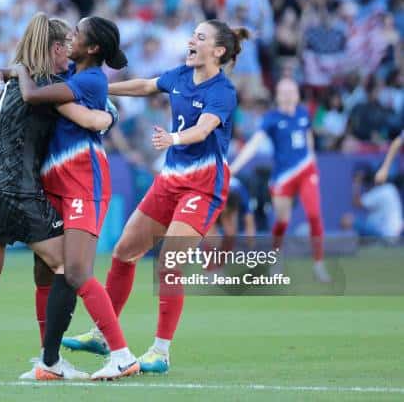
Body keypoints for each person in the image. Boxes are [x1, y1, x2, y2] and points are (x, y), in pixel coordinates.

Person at [0, 13, 115, 381]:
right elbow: (91, 115)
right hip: (17, 187)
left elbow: (20, 77)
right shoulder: (49, 84)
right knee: (68, 268)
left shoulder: (14, 81)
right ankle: (52, 362)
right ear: (56, 48)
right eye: (67, 48)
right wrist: (108, 117)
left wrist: (9, 68)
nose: (71, 57)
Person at [63, 19, 248, 374]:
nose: (191, 39)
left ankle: (161, 352)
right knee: (124, 252)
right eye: (192, 34)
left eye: (200, 37)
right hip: (170, 180)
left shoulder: (222, 91)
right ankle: (104, 335)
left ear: (218, 51)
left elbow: (205, 127)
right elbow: (146, 85)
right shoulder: (179, 75)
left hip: (204, 185)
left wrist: (174, 140)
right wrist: (104, 89)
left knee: (169, 263)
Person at [13, 15, 140, 381]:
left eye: (77, 34)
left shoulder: (89, 78)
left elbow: (32, 94)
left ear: (93, 47)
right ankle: (48, 362)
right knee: (44, 269)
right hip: (57, 182)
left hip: (84, 181)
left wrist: (18, 70)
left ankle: (122, 355)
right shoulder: (73, 71)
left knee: (78, 271)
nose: (70, 38)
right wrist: (6, 70)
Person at [228, 78, 331, 283]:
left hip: (306, 170)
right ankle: (276, 258)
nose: (287, 96)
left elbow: (308, 138)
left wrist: (313, 163)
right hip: (283, 176)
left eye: (291, 91)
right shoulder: (271, 118)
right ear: (277, 95)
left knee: (314, 214)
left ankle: (319, 264)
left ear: (297, 94)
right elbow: (254, 145)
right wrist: (233, 168)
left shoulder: (303, 114)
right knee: (282, 221)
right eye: (283, 92)